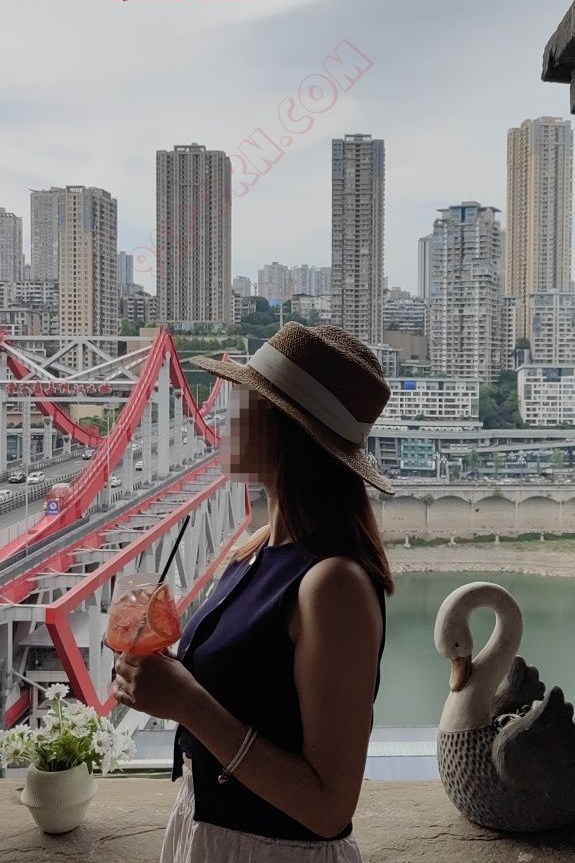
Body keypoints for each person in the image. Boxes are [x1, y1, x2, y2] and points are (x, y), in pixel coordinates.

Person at [113, 321, 396, 862]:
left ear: (283, 430)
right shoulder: (259, 547)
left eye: (241, 403)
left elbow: (330, 807)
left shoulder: (334, 585)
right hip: (206, 835)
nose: (223, 419)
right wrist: (167, 680)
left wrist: (186, 702)